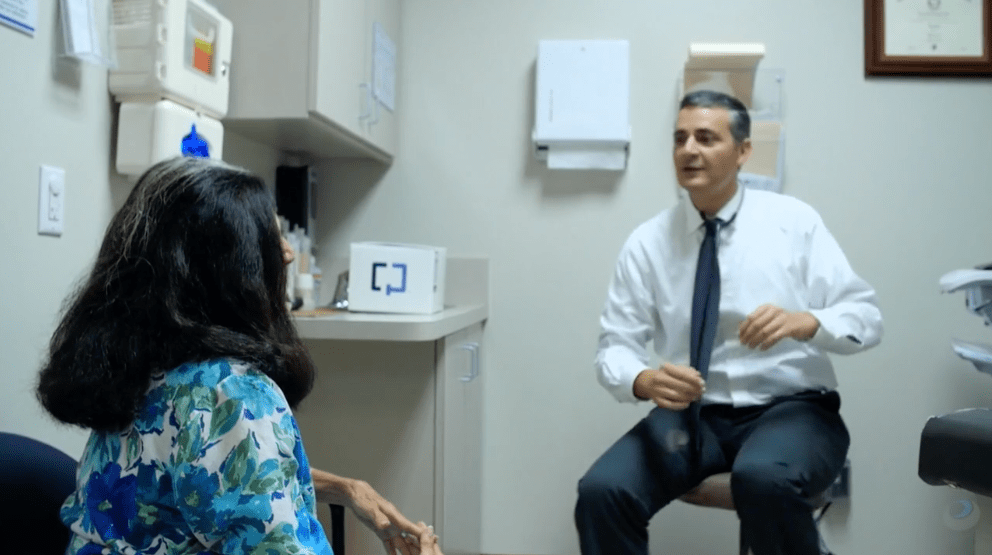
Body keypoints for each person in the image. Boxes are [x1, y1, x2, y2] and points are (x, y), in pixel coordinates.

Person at [37, 156, 442, 555]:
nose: (286, 253)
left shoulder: (136, 367)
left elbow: (198, 480)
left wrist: (342, 487)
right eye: (269, 239)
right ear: (230, 270)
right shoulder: (233, 396)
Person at [574, 90, 883, 555]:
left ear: (743, 151)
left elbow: (866, 317)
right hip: (693, 418)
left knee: (762, 478)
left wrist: (807, 322)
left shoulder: (792, 222)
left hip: (793, 409)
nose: (688, 150)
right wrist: (644, 379)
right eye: (679, 139)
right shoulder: (647, 242)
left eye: (705, 137)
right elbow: (615, 346)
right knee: (602, 491)